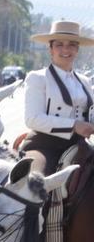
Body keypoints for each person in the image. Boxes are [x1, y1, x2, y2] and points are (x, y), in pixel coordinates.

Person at [21, 20, 94, 176]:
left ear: (77, 49)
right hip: (45, 145)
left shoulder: (85, 81)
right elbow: (32, 119)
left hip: (81, 144)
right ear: (51, 49)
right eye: (59, 44)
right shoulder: (37, 78)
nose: (65, 49)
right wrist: (74, 125)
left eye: (71, 45)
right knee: (36, 182)